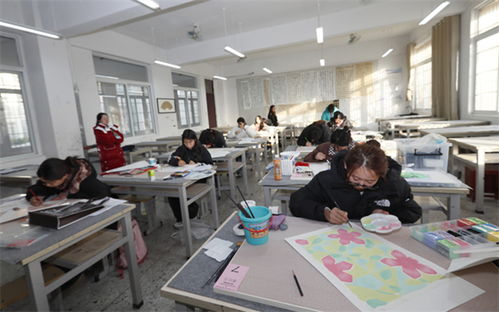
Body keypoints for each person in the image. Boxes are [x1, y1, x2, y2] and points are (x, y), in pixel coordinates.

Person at [289, 143, 422, 224]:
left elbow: (413, 211)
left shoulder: (394, 184)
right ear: (346, 166)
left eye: (370, 181)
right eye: (356, 179)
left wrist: (388, 216)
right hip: (337, 238)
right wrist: (325, 213)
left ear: (381, 174)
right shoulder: (327, 180)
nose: (361, 185)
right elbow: (297, 201)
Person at [168, 129, 213, 228]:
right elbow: (171, 159)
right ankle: (181, 218)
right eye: (185, 142)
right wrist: (177, 162)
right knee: (172, 194)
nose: (188, 145)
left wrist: (198, 164)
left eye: (190, 142)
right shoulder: (181, 149)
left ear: (195, 140)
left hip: (198, 179)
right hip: (184, 177)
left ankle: (192, 213)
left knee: (184, 193)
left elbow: (210, 163)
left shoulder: (201, 149)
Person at [26, 157, 111, 206]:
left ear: (65, 176)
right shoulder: (51, 177)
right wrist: (32, 197)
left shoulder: (85, 180)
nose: (47, 185)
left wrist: (69, 196)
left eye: (51, 183)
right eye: (44, 182)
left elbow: (103, 192)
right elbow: (34, 189)